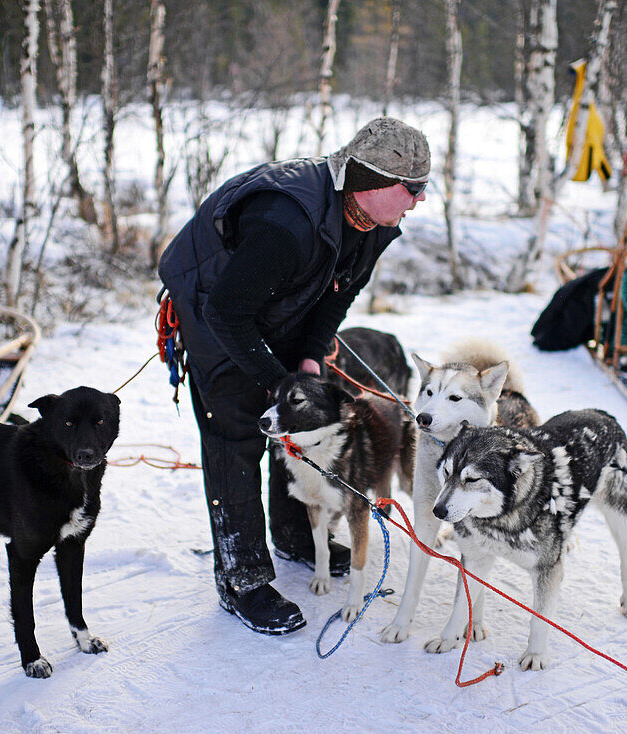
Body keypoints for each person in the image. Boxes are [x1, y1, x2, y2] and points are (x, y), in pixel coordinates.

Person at [157, 117, 430, 635]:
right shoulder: (288, 221)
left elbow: (340, 292)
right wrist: (280, 386)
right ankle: (243, 577)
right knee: (236, 429)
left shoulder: (377, 223)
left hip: (282, 302)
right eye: (411, 188)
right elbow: (227, 313)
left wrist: (307, 355)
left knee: (300, 424)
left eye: (424, 188)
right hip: (215, 307)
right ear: (370, 181)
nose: (418, 200)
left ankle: (293, 534)